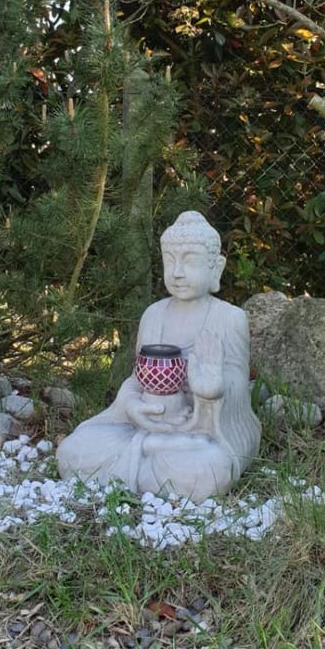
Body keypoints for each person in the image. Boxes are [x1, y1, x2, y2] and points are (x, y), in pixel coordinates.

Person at [56, 211, 260, 502]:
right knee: (73, 450)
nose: (177, 272)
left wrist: (211, 389)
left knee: (211, 469)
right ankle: (150, 460)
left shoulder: (229, 318)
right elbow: (136, 380)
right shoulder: (154, 315)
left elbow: (239, 391)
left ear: (216, 269)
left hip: (201, 433)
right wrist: (131, 406)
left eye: (189, 261)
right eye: (170, 260)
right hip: (146, 426)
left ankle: (139, 464)